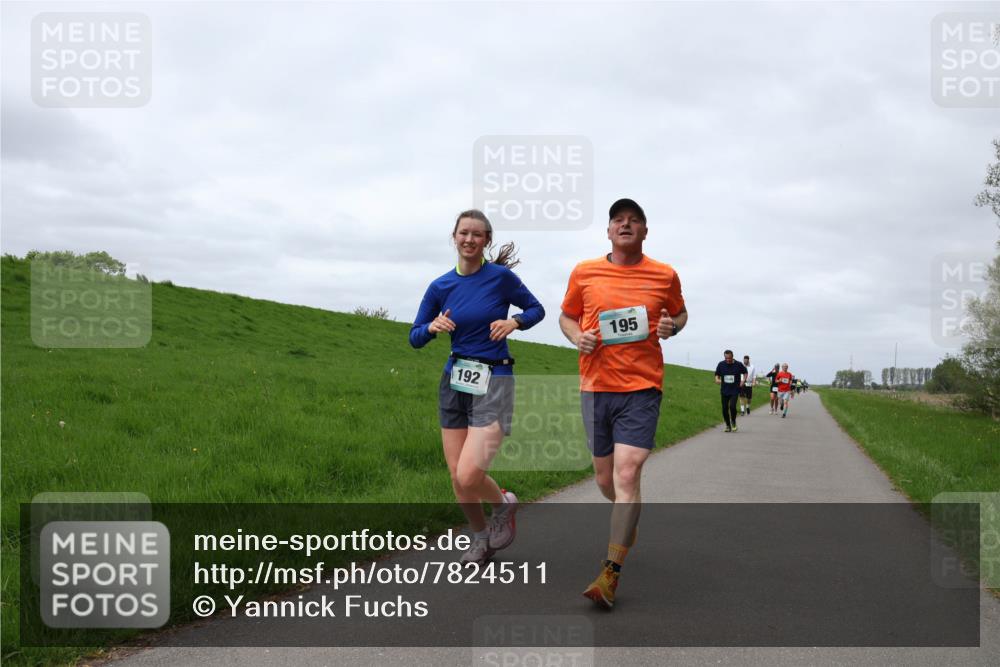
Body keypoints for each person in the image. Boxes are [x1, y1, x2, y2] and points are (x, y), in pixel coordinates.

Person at [559, 198, 688, 609]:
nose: (626, 225)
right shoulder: (584, 272)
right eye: (619, 220)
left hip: (642, 387)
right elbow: (566, 317)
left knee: (627, 472)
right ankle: (627, 513)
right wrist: (576, 336)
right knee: (605, 482)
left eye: (634, 221)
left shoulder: (664, 275)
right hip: (596, 387)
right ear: (609, 231)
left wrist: (672, 326)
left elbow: (681, 315)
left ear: (645, 231)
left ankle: (609, 574)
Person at [409, 209, 545, 565]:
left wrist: (513, 321)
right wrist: (432, 328)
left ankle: (503, 504)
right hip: (455, 379)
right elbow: (414, 336)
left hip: (495, 378)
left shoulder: (500, 278)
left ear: (486, 241)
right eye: (463, 233)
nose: (469, 239)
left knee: (470, 473)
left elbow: (537, 309)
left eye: (477, 234)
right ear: (454, 237)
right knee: (457, 476)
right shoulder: (440, 286)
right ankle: (481, 539)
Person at [715, 350, 747, 432]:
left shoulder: (738, 364)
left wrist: (743, 381)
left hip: (735, 390)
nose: (728, 360)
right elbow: (717, 374)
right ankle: (728, 425)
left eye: (729, 358)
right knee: (724, 409)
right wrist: (717, 379)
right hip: (724, 390)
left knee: (732, 407)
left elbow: (745, 372)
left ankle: (733, 421)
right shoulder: (721, 364)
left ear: (732, 356)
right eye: (726, 358)